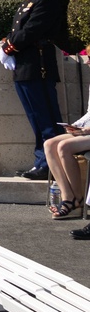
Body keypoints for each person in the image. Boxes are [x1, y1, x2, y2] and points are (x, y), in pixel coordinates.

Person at [2, 0, 65, 180]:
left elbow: (31, 32)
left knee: (46, 119)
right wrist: (8, 44)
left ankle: (51, 165)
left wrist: (8, 47)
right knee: (35, 119)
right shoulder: (29, 1)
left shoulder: (46, 0)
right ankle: (41, 162)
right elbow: (17, 31)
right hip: (24, 68)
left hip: (39, 68)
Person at [43, 88, 90, 222]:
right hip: (87, 130)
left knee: (64, 146)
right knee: (49, 144)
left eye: (88, 63)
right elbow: (89, 114)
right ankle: (68, 196)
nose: (86, 65)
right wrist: (75, 126)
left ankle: (77, 200)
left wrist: (85, 130)